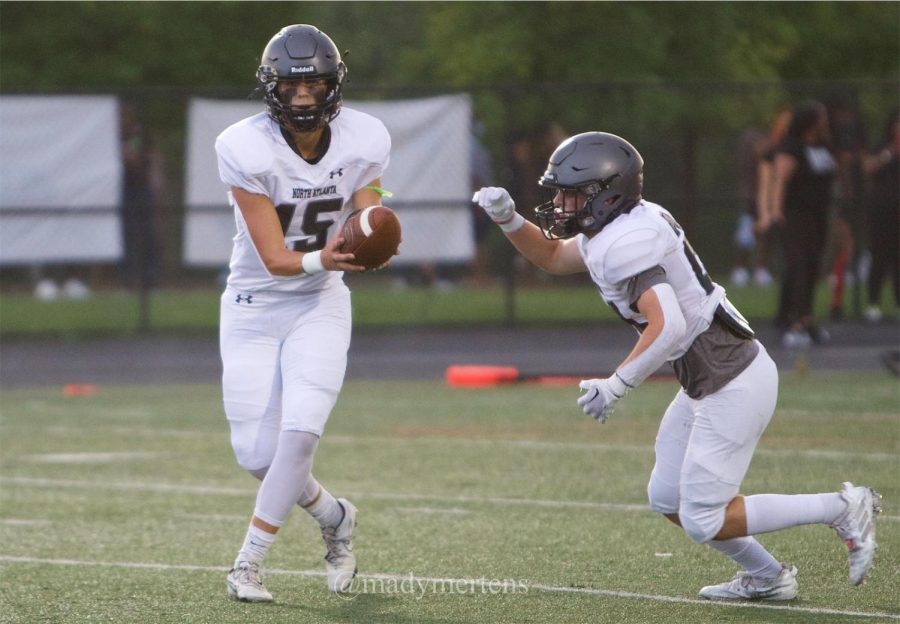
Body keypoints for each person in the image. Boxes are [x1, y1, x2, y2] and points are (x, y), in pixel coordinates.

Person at [473, 131, 881, 601]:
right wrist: (508, 219)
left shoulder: (628, 239)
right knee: (669, 499)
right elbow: (550, 255)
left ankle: (842, 506)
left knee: (704, 516)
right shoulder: (612, 229)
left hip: (732, 377)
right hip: (705, 382)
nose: (560, 203)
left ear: (604, 194)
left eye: (569, 193)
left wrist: (617, 384)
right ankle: (768, 577)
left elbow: (668, 325)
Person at [215, 24, 391, 602]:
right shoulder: (243, 146)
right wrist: (329, 253)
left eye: (314, 83)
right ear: (271, 89)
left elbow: (368, 210)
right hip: (253, 303)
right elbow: (273, 258)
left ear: (333, 85)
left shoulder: (364, 138)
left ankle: (248, 563)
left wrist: (374, 234)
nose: (304, 97)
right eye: (292, 86)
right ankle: (334, 514)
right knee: (257, 455)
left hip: (320, 302)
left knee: (299, 436)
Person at [770, 101, 836, 347]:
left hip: (818, 215)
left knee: (813, 266)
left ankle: (807, 318)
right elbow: (780, 180)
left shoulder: (822, 145)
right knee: (798, 263)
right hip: (795, 216)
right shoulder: (792, 147)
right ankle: (793, 320)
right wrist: (775, 210)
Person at [861, 109, 899, 324]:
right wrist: (889, 154)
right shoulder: (882, 148)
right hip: (881, 211)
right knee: (879, 256)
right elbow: (868, 166)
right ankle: (873, 302)